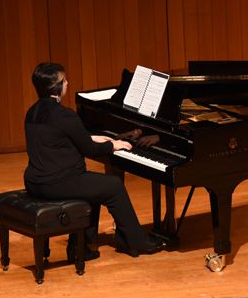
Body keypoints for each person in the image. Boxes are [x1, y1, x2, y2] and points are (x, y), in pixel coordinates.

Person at [23, 62, 164, 260]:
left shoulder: (33, 111)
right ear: (56, 88)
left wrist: (92, 137)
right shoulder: (65, 114)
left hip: (34, 182)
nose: (67, 83)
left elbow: (59, 137)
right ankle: (134, 240)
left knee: (94, 185)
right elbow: (90, 149)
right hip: (56, 183)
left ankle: (81, 247)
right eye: (64, 81)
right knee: (113, 185)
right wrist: (113, 145)